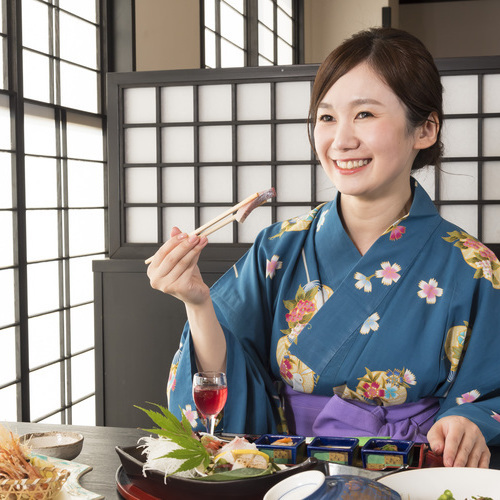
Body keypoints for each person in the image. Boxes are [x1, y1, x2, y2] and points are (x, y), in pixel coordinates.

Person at [146, 27, 500, 469]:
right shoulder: (279, 246)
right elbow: (226, 380)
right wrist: (197, 302)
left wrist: (470, 418)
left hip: (412, 475)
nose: (341, 140)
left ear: (425, 129)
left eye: (365, 114)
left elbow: (490, 392)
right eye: (327, 117)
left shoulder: (472, 265)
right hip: (288, 473)